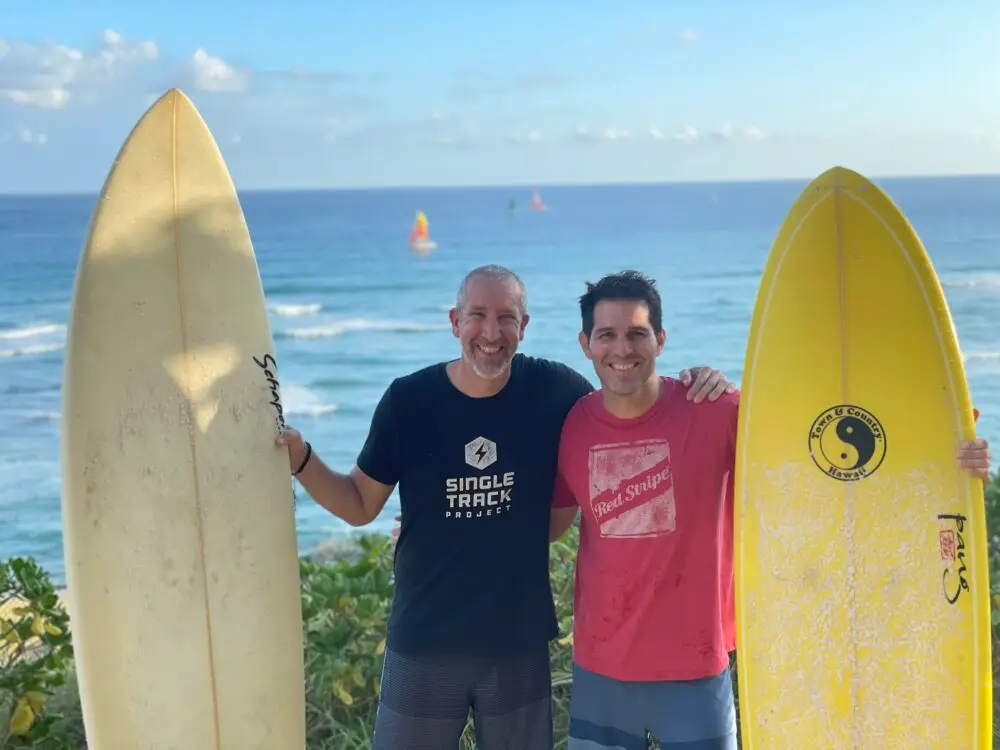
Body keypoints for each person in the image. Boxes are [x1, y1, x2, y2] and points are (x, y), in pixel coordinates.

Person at [275, 264, 735, 750]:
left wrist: (699, 381)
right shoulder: (409, 401)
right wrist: (302, 459)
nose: (491, 333)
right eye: (477, 316)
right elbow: (359, 504)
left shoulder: (557, 392)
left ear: (524, 325)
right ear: (455, 322)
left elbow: (626, 398)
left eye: (506, 318)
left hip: (518, 646)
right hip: (424, 642)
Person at [547, 270, 993, 750]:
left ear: (660, 338)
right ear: (585, 344)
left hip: (696, 664)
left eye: (637, 333)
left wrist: (942, 441)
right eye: (607, 335)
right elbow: (551, 524)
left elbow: (825, 444)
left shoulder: (715, 410)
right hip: (602, 666)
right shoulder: (574, 423)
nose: (622, 349)